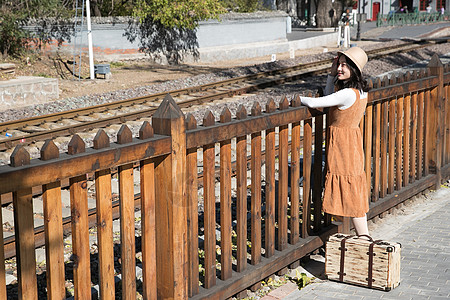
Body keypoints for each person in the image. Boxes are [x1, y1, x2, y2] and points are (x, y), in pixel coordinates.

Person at [300, 47, 370, 235]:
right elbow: (330, 95)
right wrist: (332, 74)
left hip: (343, 145)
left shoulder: (347, 94)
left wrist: (298, 99)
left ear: (354, 69)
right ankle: (362, 236)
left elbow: (316, 102)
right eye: (339, 64)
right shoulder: (360, 92)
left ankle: (364, 238)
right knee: (353, 188)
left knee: (351, 190)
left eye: (344, 66)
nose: (339, 68)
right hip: (352, 143)